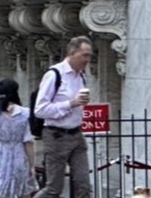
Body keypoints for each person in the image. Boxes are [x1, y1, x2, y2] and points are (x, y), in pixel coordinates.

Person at [33, 36, 93, 198]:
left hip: (76, 134)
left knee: (84, 185)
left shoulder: (81, 76)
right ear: (72, 53)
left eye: (89, 55)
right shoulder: (54, 75)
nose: (87, 59)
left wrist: (80, 104)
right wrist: (70, 104)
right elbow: (40, 110)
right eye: (84, 55)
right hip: (56, 136)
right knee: (54, 188)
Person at [0, 79, 36, 198]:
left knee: (1, 192)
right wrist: (32, 164)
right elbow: (28, 142)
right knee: (23, 191)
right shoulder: (25, 113)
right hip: (20, 156)